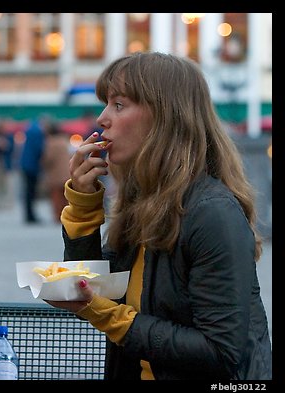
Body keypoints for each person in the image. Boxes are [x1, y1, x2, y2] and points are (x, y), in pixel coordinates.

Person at [46, 52, 272, 380]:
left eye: (118, 105)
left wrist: (103, 311)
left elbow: (221, 352)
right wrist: (83, 204)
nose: (102, 119)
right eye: (106, 104)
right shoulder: (143, 201)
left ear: (164, 117)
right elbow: (100, 291)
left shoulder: (212, 213)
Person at [40, 121, 71, 222]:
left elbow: (48, 159)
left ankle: (58, 216)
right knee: (67, 196)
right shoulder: (65, 140)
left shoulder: (51, 142)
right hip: (67, 173)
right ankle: (68, 215)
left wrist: (42, 163)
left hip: (55, 174)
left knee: (56, 197)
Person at [19, 116, 46, 224]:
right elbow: (39, 148)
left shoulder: (31, 130)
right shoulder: (37, 132)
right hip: (32, 165)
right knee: (31, 191)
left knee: (28, 191)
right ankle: (30, 215)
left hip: (26, 164)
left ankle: (29, 214)